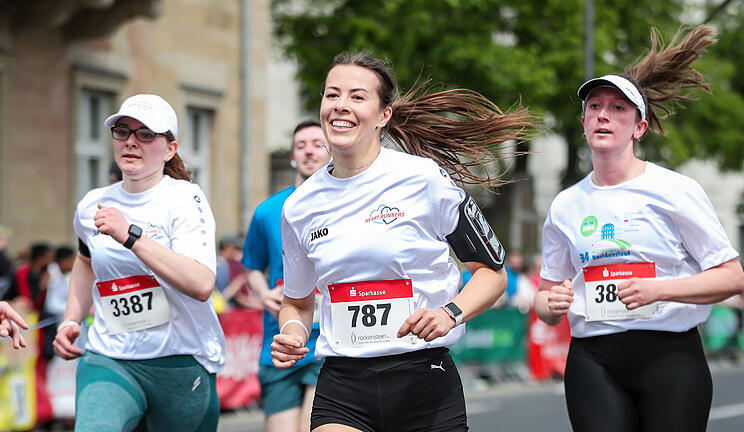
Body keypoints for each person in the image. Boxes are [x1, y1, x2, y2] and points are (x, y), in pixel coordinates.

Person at [271, 52, 537, 432]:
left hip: (422, 380)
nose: (341, 106)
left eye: (357, 96)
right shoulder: (299, 206)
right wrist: (293, 333)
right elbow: (296, 302)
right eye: (332, 95)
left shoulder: (423, 179)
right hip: (343, 386)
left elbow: (492, 274)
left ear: (384, 115)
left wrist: (450, 312)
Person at [535, 26, 744, 432]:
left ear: (639, 128)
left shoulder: (675, 189)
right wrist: (552, 303)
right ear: (583, 123)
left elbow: (731, 277)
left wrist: (659, 289)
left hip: (669, 356)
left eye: (618, 109)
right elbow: (545, 300)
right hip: (593, 359)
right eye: (595, 106)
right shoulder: (565, 204)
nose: (603, 115)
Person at [52, 94, 224, 431]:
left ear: (170, 148)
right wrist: (70, 320)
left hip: (180, 362)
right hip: (109, 357)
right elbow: (85, 261)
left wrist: (130, 236)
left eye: (146, 134)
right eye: (122, 131)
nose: (131, 141)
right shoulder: (92, 205)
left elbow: (202, 284)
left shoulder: (185, 199)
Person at [242, 120, 332, 432]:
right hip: (280, 341)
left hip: (329, 340)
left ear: (331, 150)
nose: (309, 151)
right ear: (292, 156)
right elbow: (252, 264)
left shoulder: (345, 204)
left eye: (317, 144)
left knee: (314, 425)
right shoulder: (268, 211)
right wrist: (263, 293)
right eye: (301, 146)